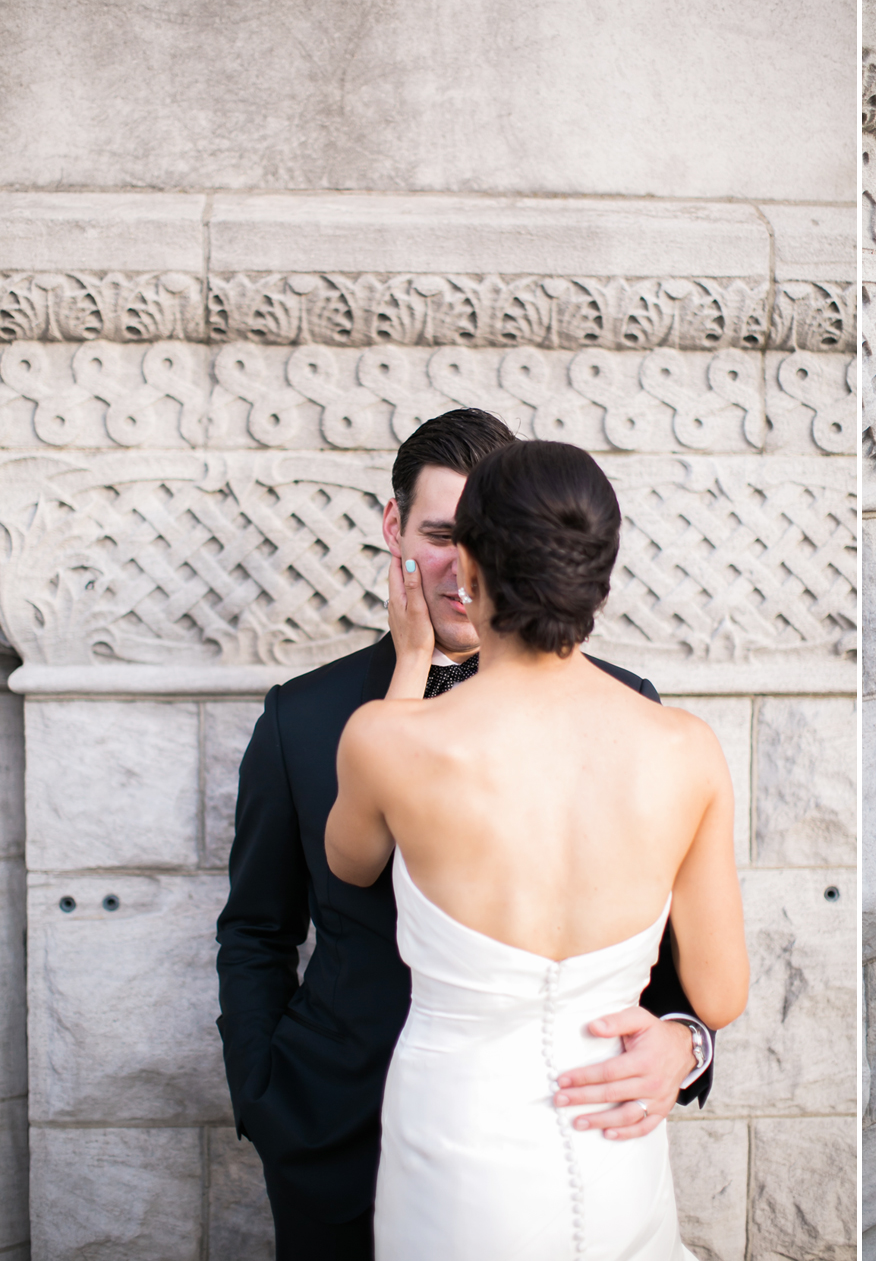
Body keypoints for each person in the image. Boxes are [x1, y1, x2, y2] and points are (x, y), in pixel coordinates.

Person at [216, 409, 717, 1260]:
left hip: (560, 1146)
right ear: (392, 525)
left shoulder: (634, 709)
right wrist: (265, 1096)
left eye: (472, 539)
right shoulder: (301, 717)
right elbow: (257, 929)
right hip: (332, 1147)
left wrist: (687, 1040)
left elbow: (677, 948)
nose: (456, 569)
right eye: (438, 534)